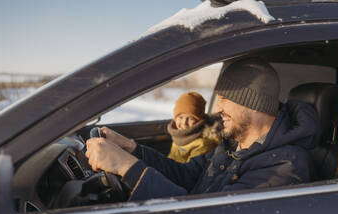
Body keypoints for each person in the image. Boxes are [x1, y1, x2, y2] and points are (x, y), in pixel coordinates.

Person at [85, 58, 321, 201]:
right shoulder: (233, 144)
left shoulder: (285, 166)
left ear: (253, 103)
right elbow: (187, 176)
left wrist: (127, 168)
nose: (217, 109)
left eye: (224, 99)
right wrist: (132, 149)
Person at [167, 91, 221, 163]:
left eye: (190, 118)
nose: (184, 123)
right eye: (180, 117)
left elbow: (189, 171)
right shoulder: (178, 135)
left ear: (199, 121)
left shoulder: (202, 144)